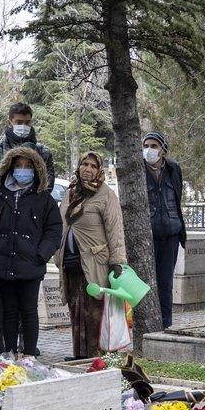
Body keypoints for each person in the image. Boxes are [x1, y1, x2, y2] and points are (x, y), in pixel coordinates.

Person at [0, 102, 56, 353]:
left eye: (26, 122)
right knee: (0, 296)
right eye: (18, 122)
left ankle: (28, 344)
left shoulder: (43, 152)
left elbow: (47, 190)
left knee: (28, 304)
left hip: (29, 241)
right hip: (4, 240)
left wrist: (40, 253)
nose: (22, 126)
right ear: (10, 121)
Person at [59, 151, 126, 358]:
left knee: (93, 310)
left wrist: (117, 261)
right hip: (71, 262)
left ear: (99, 170)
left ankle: (96, 356)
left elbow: (115, 229)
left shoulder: (106, 195)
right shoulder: (71, 192)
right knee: (76, 309)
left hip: (95, 262)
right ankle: (79, 355)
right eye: (84, 164)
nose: (88, 169)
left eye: (93, 166)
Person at [142, 131, 186, 329]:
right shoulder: (138, 170)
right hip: (148, 236)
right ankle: (147, 323)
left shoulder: (173, 169)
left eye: (154, 146)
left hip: (171, 234)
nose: (149, 150)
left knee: (166, 282)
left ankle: (166, 323)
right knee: (147, 282)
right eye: (146, 146)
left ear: (163, 150)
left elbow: (177, 198)